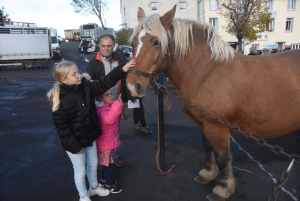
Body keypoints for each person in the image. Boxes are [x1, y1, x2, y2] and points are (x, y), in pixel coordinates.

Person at [47, 59, 135, 201]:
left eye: (78, 72)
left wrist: (122, 69)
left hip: (90, 136)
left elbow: (106, 81)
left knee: (93, 164)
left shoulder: (85, 86)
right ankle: (83, 196)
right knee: (80, 171)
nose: (79, 75)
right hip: (75, 143)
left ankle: (94, 188)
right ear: (64, 80)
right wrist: (74, 146)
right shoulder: (60, 98)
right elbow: (62, 127)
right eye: (74, 74)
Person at [86, 34, 126, 167]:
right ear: (99, 46)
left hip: (116, 102)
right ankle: (101, 155)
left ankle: (115, 154)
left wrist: (126, 97)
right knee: (101, 132)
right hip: (100, 105)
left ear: (113, 46)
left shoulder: (121, 59)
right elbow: (89, 85)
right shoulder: (93, 63)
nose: (106, 48)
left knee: (115, 130)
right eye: (103, 46)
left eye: (109, 45)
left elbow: (127, 78)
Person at [95, 90, 124, 194]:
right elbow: (109, 119)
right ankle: (109, 184)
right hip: (106, 145)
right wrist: (119, 103)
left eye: (111, 93)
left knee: (105, 164)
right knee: (109, 165)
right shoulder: (102, 111)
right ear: (100, 99)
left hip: (107, 143)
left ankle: (103, 180)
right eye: (107, 95)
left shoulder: (106, 108)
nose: (111, 96)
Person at [130, 48, 153, 134]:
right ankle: (143, 125)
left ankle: (136, 123)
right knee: (139, 106)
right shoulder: (134, 63)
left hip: (137, 86)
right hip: (135, 87)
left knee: (136, 105)